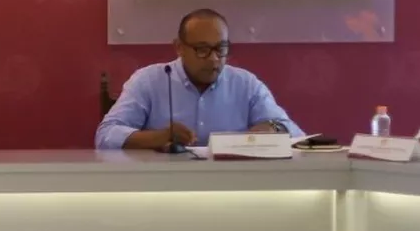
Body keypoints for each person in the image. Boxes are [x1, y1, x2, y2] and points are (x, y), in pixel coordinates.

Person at [96, 8, 302, 150]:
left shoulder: (245, 84)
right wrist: (158, 137)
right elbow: (105, 135)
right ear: (179, 48)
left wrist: (273, 129)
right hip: (162, 187)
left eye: (221, 49)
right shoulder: (149, 81)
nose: (213, 59)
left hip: (233, 188)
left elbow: (297, 136)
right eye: (202, 49)